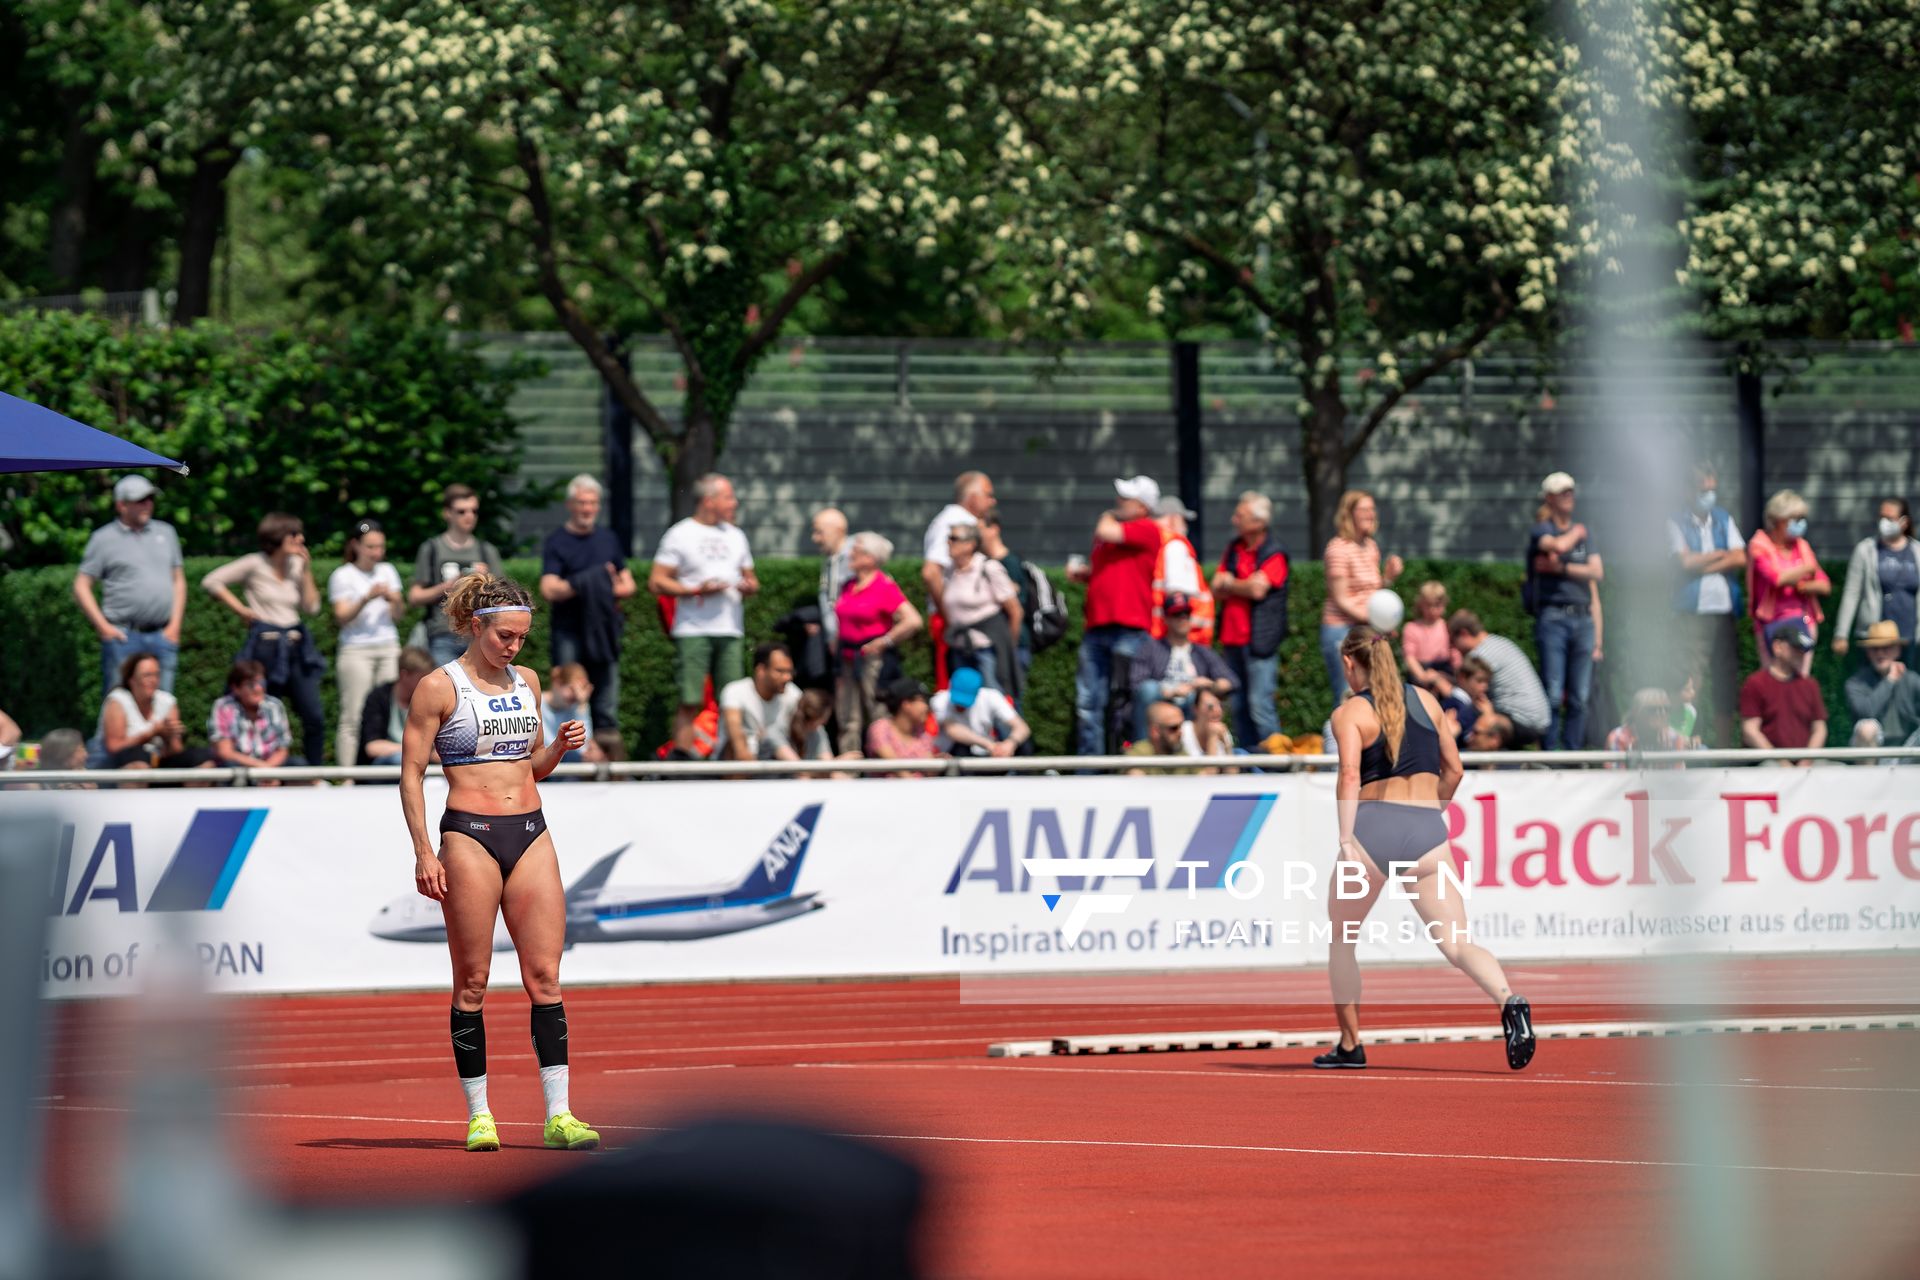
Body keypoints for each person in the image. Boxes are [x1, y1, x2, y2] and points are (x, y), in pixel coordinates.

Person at [399, 572, 599, 1154]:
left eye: (521, 638)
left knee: (545, 978)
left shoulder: (527, 682)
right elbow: (411, 774)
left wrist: (558, 748)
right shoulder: (440, 687)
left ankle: (559, 1115)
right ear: (475, 626)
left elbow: (529, 767)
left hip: (532, 830)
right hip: (469, 834)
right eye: (505, 636)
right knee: (475, 981)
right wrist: (422, 850)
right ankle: (480, 1114)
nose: (514, 647)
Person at [1319, 625, 1533, 1071]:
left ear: (1348, 663)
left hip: (1373, 829)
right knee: (1457, 944)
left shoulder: (1350, 713)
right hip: (1426, 831)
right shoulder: (1429, 700)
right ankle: (1509, 1000)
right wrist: (1426, 812)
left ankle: (1349, 1045)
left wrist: (1345, 839)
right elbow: (1454, 771)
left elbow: (1350, 777)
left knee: (1342, 940)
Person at [202, 512, 328, 766]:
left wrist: (306, 570)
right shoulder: (254, 563)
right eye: (294, 534)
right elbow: (211, 581)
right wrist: (242, 610)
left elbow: (312, 608)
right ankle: (252, 768)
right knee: (261, 708)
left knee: (313, 715)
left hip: (295, 645)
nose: (301, 539)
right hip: (266, 647)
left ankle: (313, 774)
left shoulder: (295, 565)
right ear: (278, 536)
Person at [649, 473, 758, 757]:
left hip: (730, 628)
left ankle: (728, 761)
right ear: (709, 501)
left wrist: (748, 586)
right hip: (692, 628)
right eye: (728, 497)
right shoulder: (681, 533)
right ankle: (682, 764)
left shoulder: (736, 535)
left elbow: (752, 579)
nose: (734, 503)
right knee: (689, 699)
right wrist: (695, 589)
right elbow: (657, 581)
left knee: (732, 699)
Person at [1070, 476, 1164, 755]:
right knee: (1089, 701)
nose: (1119, 502)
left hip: (1130, 629)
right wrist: (1087, 575)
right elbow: (1112, 572)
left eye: (1127, 498)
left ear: (1144, 506)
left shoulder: (1147, 528)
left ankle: (1136, 761)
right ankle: (1091, 767)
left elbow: (1106, 529)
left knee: (1129, 701)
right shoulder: (1113, 533)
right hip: (1098, 626)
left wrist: (1107, 515)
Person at [539, 475, 637, 736]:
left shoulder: (608, 539)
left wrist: (598, 584)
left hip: (603, 631)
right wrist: (588, 581)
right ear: (570, 504)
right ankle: (564, 749)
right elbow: (548, 588)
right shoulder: (557, 542)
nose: (587, 509)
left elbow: (628, 585)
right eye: (582, 502)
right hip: (569, 630)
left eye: (592, 503)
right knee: (568, 692)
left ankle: (604, 754)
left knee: (605, 699)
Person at [74, 474, 187, 698]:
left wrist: (174, 626)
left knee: (163, 705)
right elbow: (81, 585)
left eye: (150, 499)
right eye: (140, 500)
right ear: (121, 505)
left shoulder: (166, 532)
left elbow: (179, 580)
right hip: (123, 636)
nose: (147, 505)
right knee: (119, 703)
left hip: (162, 634)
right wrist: (103, 627)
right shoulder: (103, 539)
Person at [1668, 461, 1747, 746]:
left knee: (1725, 680)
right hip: (1693, 614)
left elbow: (1740, 557)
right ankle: (1691, 741)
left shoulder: (1723, 518)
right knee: (1693, 681)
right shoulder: (1675, 522)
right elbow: (1683, 563)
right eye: (1703, 489)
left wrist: (1702, 560)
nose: (1709, 495)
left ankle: (1725, 746)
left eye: (1712, 489)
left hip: (1724, 612)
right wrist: (1721, 555)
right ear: (1688, 490)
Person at [1526, 472, 1605, 751]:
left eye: (1571, 491)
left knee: (1580, 695)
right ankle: (1549, 753)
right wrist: (1576, 534)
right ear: (1549, 498)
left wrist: (1561, 569)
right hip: (1553, 618)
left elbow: (1597, 571)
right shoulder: (1542, 530)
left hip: (1583, 619)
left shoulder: (1586, 534)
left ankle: (1572, 753)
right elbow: (1556, 545)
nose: (1568, 496)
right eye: (1562, 492)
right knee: (1553, 691)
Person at [832, 532, 923, 755]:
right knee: (847, 716)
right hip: (846, 658)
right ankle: (849, 766)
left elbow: (913, 620)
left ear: (871, 558)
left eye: (857, 550)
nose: (851, 553)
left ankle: (884, 764)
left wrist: (884, 641)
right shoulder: (849, 585)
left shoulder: (884, 586)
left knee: (878, 712)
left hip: (872, 660)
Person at [1212, 491, 1290, 748]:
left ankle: (1274, 763)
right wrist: (1244, 584)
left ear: (1258, 522)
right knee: (1238, 705)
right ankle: (1248, 760)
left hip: (1259, 642)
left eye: (1240, 515)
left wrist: (1231, 583)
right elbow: (1216, 586)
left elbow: (1258, 590)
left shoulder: (1275, 552)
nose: (1234, 520)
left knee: (1260, 704)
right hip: (1232, 639)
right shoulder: (1234, 548)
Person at [330, 517, 406, 772]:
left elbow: (398, 615)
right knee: (352, 715)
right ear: (356, 545)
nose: (377, 552)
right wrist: (366, 598)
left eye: (380, 547)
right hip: (356, 649)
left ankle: (390, 771)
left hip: (388, 646)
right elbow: (341, 617)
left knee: (389, 711)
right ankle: (348, 777)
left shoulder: (388, 571)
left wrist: (394, 599)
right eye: (371, 547)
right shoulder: (343, 575)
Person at [1321, 489, 1404, 702]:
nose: (1371, 514)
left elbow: (1373, 594)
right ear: (1349, 514)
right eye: (1364, 509)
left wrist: (1388, 578)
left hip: (1366, 628)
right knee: (1347, 695)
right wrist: (1375, 621)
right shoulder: (1337, 549)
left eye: (1372, 509)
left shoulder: (1371, 547)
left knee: (1375, 691)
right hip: (1342, 630)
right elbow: (1341, 599)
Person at [411, 484, 505, 667]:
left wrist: (486, 582)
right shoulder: (431, 549)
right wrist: (450, 585)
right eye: (461, 511)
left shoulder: (486, 551)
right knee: (447, 692)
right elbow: (414, 597)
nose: (469, 516)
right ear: (447, 513)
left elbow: (502, 598)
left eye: (474, 511)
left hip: (479, 635)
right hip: (442, 633)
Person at [921, 471, 996, 685]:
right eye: (988, 495)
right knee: (959, 691)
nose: (992, 501)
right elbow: (931, 571)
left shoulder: (955, 519)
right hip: (956, 620)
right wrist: (949, 616)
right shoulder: (957, 522)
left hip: (962, 620)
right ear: (972, 496)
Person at [1129, 592, 1236, 738]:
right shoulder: (1151, 648)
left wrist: (1206, 685)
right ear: (1166, 619)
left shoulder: (1202, 652)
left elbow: (1230, 682)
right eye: (1177, 614)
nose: (1183, 619)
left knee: (1200, 698)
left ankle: (1192, 750)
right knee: (1148, 689)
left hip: (1191, 706)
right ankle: (1144, 750)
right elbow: (1136, 683)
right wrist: (1169, 692)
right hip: (1161, 703)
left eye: (1186, 614)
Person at [1747, 490, 1831, 677]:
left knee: (1800, 680)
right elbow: (1776, 578)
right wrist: (1806, 570)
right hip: (1772, 625)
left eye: (1802, 518)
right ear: (1777, 519)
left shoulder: (1802, 546)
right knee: (1775, 679)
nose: (1800, 524)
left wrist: (1803, 586)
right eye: (1795, 519)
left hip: (1803, 621)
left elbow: (1824, 585)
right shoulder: (1759, 545)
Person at [937, 522, 1023, 700]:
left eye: (954, 538)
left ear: (970, 544)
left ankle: (1013, 729)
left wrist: (1008, 647)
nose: (948, 543)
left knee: (994, 701)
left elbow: (1015, 611)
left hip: (987, 649)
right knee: (965, 703)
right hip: (961, 649)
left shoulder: (988, 567)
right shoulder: (950, 571)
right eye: (948, 538)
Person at [1834, 498, 1919, 671]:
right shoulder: (1866, 550)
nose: (1884, 522)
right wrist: (1841, 633)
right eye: (1881, 517)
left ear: (1904, 522)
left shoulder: (1916, 551)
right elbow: (1852, 592)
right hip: (1875, 636)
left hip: (1909, 634)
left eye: (1890, 518)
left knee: (1908, 689)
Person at [93, 651, 215, 771]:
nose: (153, 680)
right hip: (122, 765)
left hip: (158, 763)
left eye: (156, 675)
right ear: (131, 680)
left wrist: (169, 737)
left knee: (202, 759)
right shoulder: (118, 701)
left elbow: (176, 751)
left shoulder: (167, 701)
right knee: (139, 761)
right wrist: (152, 733)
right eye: (147, 675)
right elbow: (114, 747)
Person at [1448, 611, 1550, 747]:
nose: (1453, 648)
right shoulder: (1498, 642)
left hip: (1520, 719)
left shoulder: (1480, 655)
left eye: (1453, 642)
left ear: (1464, 634)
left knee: (1470, 717)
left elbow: (1466, 690)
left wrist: (1440, 681)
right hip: (1540, 718)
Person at [1739, 618, 1828, 764]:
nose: (1801, 653)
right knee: (1768, 768)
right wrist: (1781, 762)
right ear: (1777, 647)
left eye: (1804, 649)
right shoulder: (1756, 683)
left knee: (1836, 770)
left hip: (1805, 765)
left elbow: (1820, 729)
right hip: (1766, 765)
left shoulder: (1810, 685)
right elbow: (1750, 731)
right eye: (1796, 647)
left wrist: (1806, 761)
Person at [977, 507, 1036, 692]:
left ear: (994, 529)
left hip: (1011, 646)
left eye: (979, 529)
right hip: (998, 645)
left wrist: (1009, 650)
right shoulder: (982, 562)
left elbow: (1016, 610)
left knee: (1008, 706)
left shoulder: (1009, 563)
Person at [207, 660, 299, 776]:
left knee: (299, 764)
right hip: (241, 767)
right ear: (236, 688)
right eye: (250, 684)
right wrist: (261, 769)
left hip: (271, 766)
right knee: (229, 767)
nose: (258, 688)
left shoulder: (275, 705)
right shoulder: (223, 706)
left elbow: (282, 750)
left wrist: (268, 772)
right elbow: (225, 752)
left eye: (261, 683)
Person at [714, 642, 802, 762]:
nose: (788, 677)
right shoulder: (735, 691)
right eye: (780, 671)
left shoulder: (793, 693)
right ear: (761, 670)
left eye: (790, 672)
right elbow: (734, 728)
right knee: (735, 743)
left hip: (779, 759)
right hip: (739, 763)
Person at [1844, 621, 1920, 751]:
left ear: (1897, 650)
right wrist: (1890, 680)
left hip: (1907, 750)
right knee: (1867, 728)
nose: (1880, 653)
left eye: (1886, 647)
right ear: (1868, 652)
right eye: (1875, 648)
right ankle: (1869, 772)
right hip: (1872, 754)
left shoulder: (1912, 680)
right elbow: (1865, 713)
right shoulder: (1855, 683)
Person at [359, 646, 438, 766]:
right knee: (401, 760)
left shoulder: (431, 700)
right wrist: (416, 751)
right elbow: (373, 747)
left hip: (423, 761)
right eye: (422, 678)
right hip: (388, 764)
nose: (428, 684)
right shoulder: (379, 698)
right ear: (404, 675)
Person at [1152, 495, 1214, 646]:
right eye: (1183, 520)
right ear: (1174, 518)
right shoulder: (1175, 546)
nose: (1185, 526)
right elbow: (1178, 596)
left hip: (1159, 634)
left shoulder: (1154, 544)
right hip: (1184, 639)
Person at [930, 666, 1031, 757]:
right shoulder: (940, 700)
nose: (960, 705)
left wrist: (1010, 744)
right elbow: (952, 730)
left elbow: (1022, 727)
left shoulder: (992, 697)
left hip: (984, 752)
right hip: (952, 753)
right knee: (961, 749)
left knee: (1024, 746)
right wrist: (988, 744)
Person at [866, 677, 940, 774]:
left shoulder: (922, 732)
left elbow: (930, 772)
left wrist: (939, 763)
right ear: (906, 704)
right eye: (922, 700)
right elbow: (897, 768)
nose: (926, 706)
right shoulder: (880, 728)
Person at [543, 664, 610, 769]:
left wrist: (582, 704)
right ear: (557, 683)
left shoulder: (577, 705)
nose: (577, 695)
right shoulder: (536, 703)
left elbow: (582, 748)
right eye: (572, 689)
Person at [811, 508, 853, 656]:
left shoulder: (856, 557)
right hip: (838, 641)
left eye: (820, 532)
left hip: (854, 643)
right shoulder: (830, 559)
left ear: (839, 530)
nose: (815, 538)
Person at [1400, 581, 1455, 694]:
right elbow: (1410, 657)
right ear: (1421, 604)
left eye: (1437, 605)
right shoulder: (1411, 627)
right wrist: (1422, 676)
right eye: (1428, 605)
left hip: (1444, 672)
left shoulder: (1447, 626)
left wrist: (1451, 675)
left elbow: (1455, 653)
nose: (1432, 610)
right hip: (1419, 673)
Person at [1605, 688, 1692, 756]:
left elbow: (1677, 776)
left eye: (1666, 709)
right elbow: (1616, 777)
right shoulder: (1618, 738)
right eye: (1653, 709)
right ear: (1636, 712)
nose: (1661, 713)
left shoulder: (1674, 739)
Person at [1125, 700, 1200, 774]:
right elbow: (1136, 780)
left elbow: (1203, 778)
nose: (1180, 732)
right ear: (1155, 731)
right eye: (1173, 728)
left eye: (1181, 726)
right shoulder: (1139, 754)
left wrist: (1212, 735)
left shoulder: (1181, 752)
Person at [1182, 687, 1235, 759]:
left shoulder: (1223, 732)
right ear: (1195, 709)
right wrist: (1212, 738)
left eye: (1221, 706)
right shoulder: (1182, 733)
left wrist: (1227, 746)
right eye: (1210, 706)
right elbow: (1209, 770)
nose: (1218, 711)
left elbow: (1232, 770)